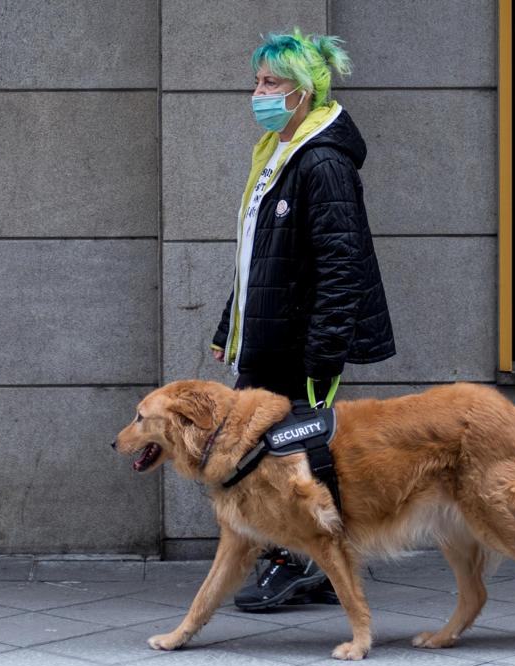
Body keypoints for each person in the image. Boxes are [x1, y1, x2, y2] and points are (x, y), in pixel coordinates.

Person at [209, 29, 395, 611]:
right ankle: (304, 558)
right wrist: (227, 329)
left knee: (290, 458)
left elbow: (343, 264)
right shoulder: (277, 155)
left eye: (271, 83)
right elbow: (257, 258)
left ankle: (303, 562)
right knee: (269, 456)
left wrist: (324, 353)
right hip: (268, 338)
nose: (258, 92)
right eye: (257, 80)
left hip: (298, 345)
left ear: (304, 93)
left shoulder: (322, 162)